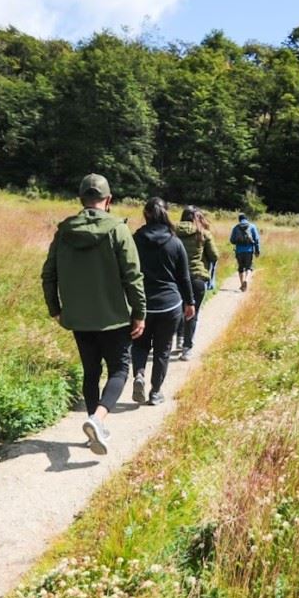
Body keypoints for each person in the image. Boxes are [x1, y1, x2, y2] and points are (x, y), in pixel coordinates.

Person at [42, 174, 147, 454]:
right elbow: (133, 276)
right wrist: (139, 313)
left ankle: (92, 429)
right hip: (113, 317)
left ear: (81, 200)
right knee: (120, 369)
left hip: (78, 318)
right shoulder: (118, 229)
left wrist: (56, 310)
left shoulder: (64, 231)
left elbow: (48, 274)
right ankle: (97, 419)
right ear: (109, 200)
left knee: (91, 371)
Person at [130, 198, 195, 405]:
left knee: (139, 345)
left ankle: (139, 374)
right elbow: (184, 277)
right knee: (162, 350)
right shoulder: (175, 242)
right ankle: (155, 392)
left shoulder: (134, 240)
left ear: (146, 214)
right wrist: (190, 302)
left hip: (142, 304)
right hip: (169, 305)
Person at [174, 205, 219, 360]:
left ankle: (178, 340)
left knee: (178, 309)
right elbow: (214, 256)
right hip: (197, 277)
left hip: (176, 278)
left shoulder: (173, 232)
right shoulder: (203, 233)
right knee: (192, 313)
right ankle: (187, 348)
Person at [230, 213, 261, 292]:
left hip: (239, 251)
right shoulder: (252, 226)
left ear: (239, 219)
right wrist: (257, 250)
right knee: (249, 267)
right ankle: (246, 280)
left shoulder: (236, 227)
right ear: (247, 219)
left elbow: (232, 240)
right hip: (249, 251)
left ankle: (242, 285)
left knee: (241, 268)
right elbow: (256, 239)